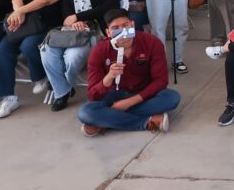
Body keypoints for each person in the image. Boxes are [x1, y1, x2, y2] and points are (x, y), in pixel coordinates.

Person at [41, 0, 126, 112]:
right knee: (47, 51)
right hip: (72, 28)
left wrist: (79, 18)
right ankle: (62, 92)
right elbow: (66, 4)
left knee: (72, 57)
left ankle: (64, 86)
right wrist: (70, 19)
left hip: (97, 28)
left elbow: (108, 6)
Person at [77, 9, 180, 137]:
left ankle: (106, 120)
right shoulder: (99, 51)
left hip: (143, 92)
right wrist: (108, 78)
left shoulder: (151, 42)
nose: (122, 31)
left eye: (125, 25)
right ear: (108, 32)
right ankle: (147, 123)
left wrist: (129, 102)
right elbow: (93, 94)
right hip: (113, 94)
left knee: (172, 98)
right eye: (115, 28)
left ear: (132, 25)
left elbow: (161, 81)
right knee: (85, 113)